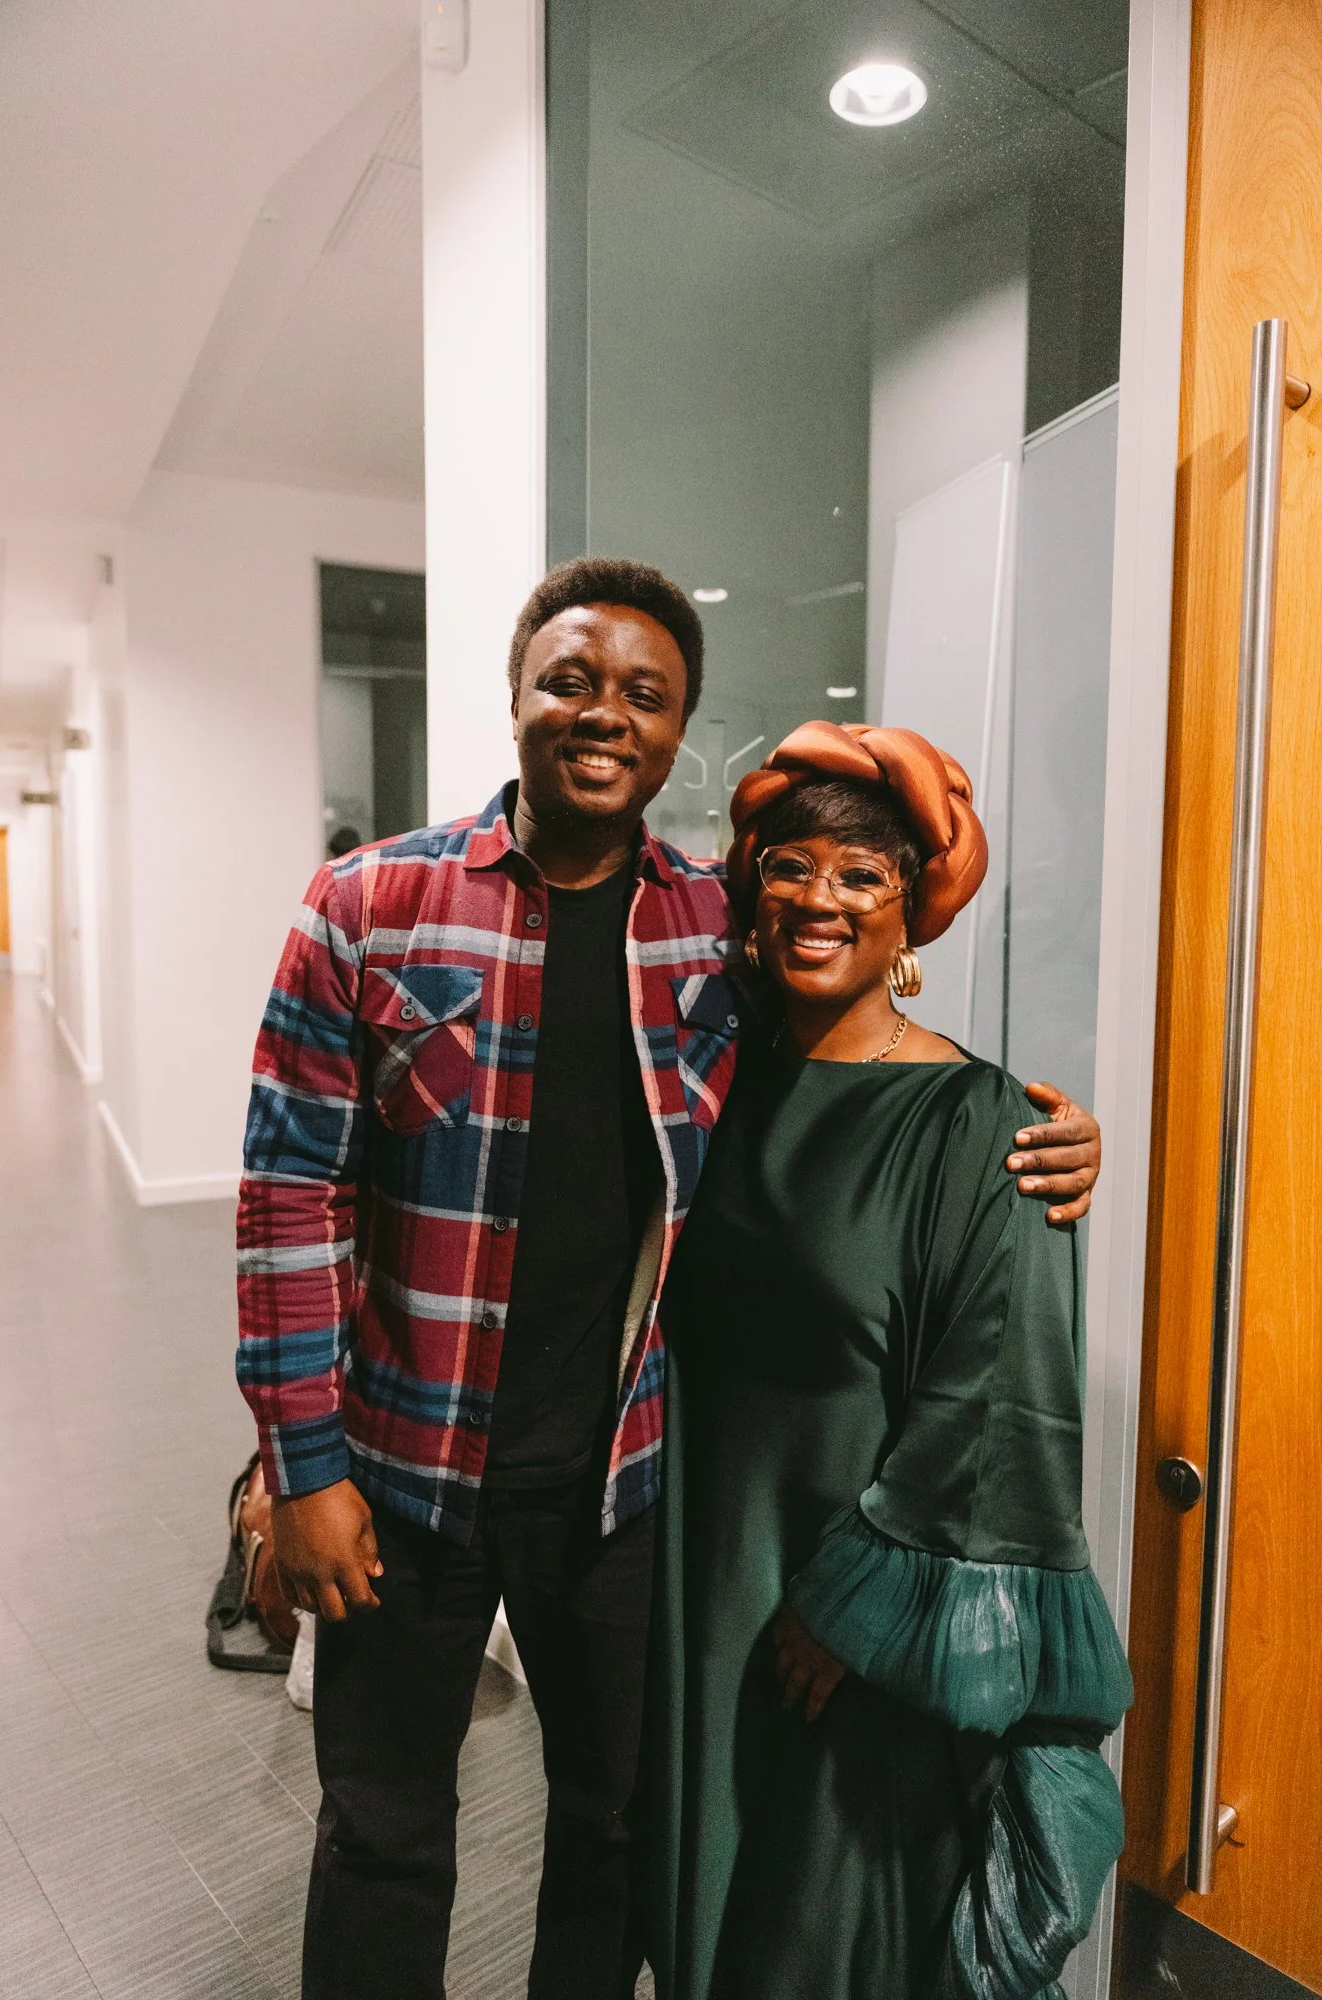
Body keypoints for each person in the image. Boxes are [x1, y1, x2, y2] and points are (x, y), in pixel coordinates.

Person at [234, 560, 1102, 2000]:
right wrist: (297, 1466)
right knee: (384, 1839)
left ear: (678, 729)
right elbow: (287, 1200)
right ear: (514, 692)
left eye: (645, 694)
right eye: (571, 679)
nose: (603, 714)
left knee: (608, 1835)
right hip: (399, 1472)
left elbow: (861, 1028)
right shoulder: (369, 905)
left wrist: (1049, 1131)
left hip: (620, 1489)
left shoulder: (713, 935)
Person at [651, 720, 1132, 2000]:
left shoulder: (981, 1125)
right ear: (750, 886)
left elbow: (998, 1392)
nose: (820, 899)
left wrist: (856, 1607)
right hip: (698, 1562)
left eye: (862, 876)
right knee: (698, 1897)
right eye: (791, 866)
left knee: (816, 1936)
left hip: (851, 1609)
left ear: (910, 912)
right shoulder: (704, 1077)